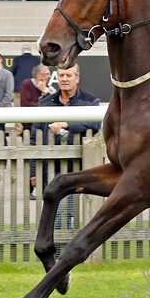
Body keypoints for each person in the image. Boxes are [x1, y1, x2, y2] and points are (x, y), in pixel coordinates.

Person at [29, 64, 101, 212]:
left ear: (77, 78)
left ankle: (64, 234)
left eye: (69, 75)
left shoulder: (90, 102)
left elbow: (94, 123)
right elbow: (34, 139)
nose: (64, 79)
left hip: (75, 168)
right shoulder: (45, 103)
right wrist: (33, 172)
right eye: (61, 75)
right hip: (48, 167)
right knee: (52, 212)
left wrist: (68, 124)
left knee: (64, 212)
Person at [20, 64, 55, 134]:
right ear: (39, 76)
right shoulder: (27, 84)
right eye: (47, 74)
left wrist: (45, 92)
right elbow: (26, 104)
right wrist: (42, 107)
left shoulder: (49, 89)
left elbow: (52, 106)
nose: (49, 76)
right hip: (29, 125)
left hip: (45, 125)